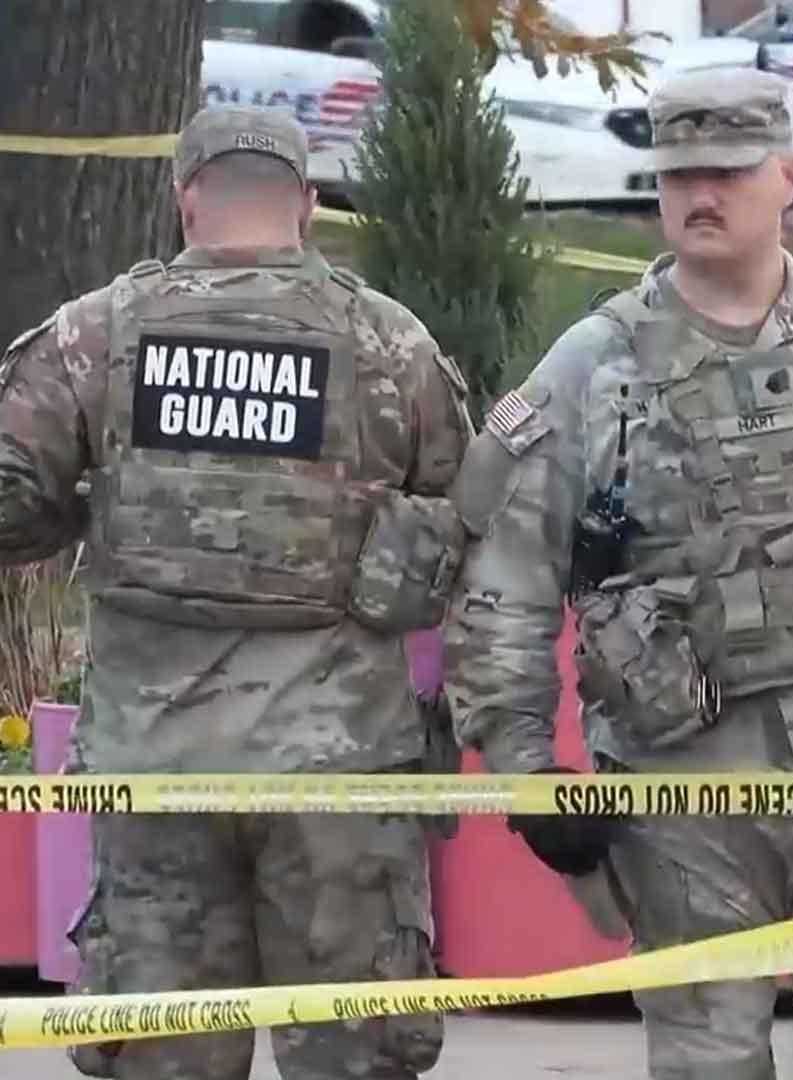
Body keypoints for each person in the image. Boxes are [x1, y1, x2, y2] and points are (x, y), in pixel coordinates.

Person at [443, 69, 793, 1080]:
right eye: (678, 174)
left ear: (790, 176)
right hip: (683, 794)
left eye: (728, 171)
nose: (701, 194)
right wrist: (528, 777)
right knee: (709, 1059)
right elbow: (506, 581)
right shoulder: (593, 366)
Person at [0, 106, 470, 1080]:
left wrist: (91, 514)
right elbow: (466, 518)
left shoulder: (98, 334)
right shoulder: (389, 342)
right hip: (341, 768)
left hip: (154, 761)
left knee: (165, 1059)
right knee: (353, 1055)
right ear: (305, 205)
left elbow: (8, 497)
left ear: (185, 200)